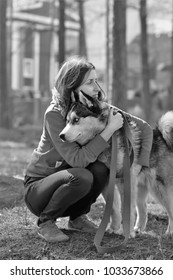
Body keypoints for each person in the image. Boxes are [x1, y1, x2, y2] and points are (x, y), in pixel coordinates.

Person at [23, 56, 153, 243]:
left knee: (100, 169)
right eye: (90, 82)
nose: (96, 86)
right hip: (40, 188)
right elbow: (77, 160)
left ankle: (77, 218)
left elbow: (145, 128)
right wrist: (109, 130)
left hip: (69, 185)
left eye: (96, 80)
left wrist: (141, 164)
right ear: (72, 85)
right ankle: (45, 223)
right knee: (82, 175)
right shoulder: (54, 114)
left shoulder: (94, 108)